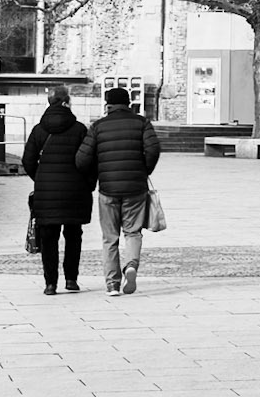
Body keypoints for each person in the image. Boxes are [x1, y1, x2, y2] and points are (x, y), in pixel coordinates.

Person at [75, 85, 160, 296]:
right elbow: (153, 149)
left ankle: (112, 284)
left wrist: (97, 172)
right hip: (135, 188)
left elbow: (82, 159)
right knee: (133, 232)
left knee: (109, 238)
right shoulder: (142, 123)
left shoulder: (98, 126)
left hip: (108, 189)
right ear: (128, 104)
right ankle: (131, 265)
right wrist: (144, 170)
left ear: (108, 105)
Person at [21, 88, 92, 295]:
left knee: (48, 238)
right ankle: (71, 279)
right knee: (73, 235)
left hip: (47, 193)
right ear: (67, 103)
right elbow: (89, 159)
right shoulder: (79, 129)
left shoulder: (39, 130)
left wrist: (41, 179)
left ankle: (50, 283)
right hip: (74, 191)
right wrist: (87, 184)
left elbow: (27, 160)